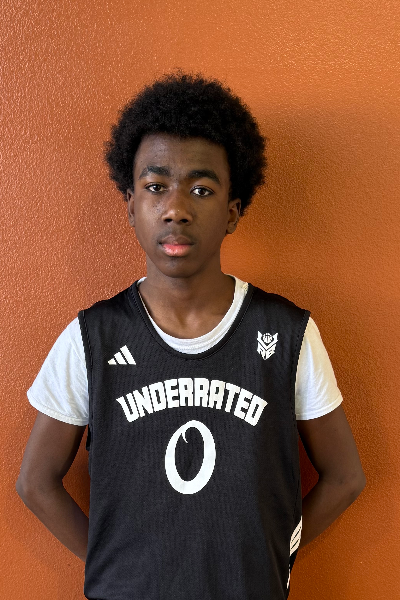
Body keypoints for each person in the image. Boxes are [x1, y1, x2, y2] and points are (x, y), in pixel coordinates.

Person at [16, 69, 366, 600]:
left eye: (201, 189)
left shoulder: (285, 331)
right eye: (155, 187)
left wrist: (276, 551)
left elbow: (345, 477)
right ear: (131, 205)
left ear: (232, 212)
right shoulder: (94, 336)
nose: (176, 209)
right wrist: (113, 564)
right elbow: (35, 482)